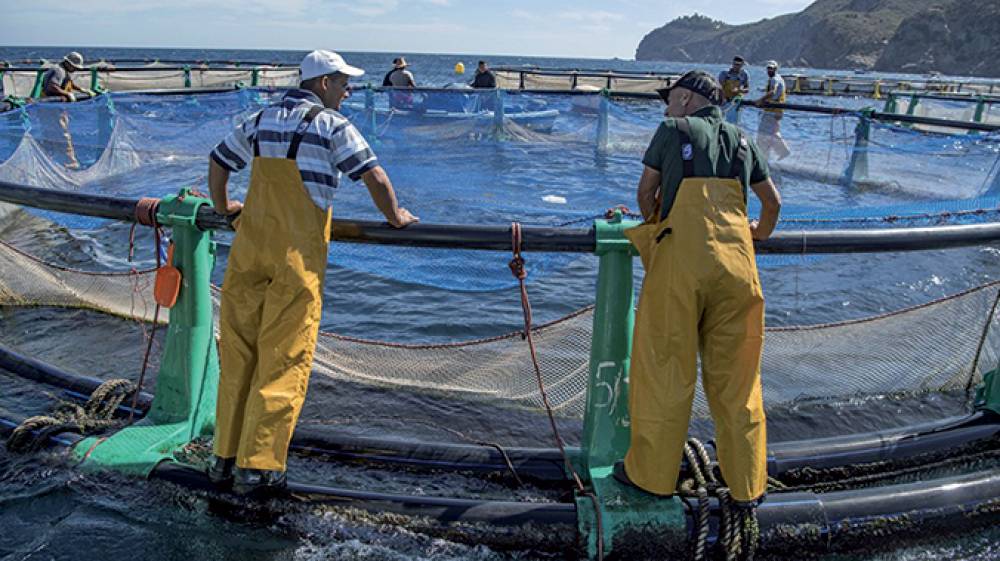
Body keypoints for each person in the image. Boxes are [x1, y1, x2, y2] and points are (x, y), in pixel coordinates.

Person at [207, 49, 418, 495]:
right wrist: (395, 215)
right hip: (294, 259)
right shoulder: (331, 125)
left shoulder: (261, 118)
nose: (347, 92)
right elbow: (374, 177)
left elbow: (219, 160)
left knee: (238, 354)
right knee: (283, 357)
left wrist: (225, 208)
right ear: (323, 83)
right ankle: (258, 467)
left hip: (248, 250)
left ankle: (222, 459)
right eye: (343, 83)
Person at [613, 70, 781, 510]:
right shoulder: (744, 140)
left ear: (686, 100)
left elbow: (646, 191)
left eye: (669, 98)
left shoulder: (671, 130)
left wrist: (654, 222)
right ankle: (746, 483)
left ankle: (650, 478)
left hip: (681, 267)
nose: (666, 106)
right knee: (739, 380)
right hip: (738, 269)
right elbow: (773, 204)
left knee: (666, 371)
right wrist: (758, 233)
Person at [756, 60, 791, 161]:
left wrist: (760, 100)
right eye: (768, 68)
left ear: (775, 69)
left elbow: (772, 92)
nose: (769, 70)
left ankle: (763, 155)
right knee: (773, 132)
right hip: (777, 110)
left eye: (771, 68)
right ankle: (783, 151)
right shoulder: (779, 79)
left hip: (772, 110)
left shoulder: (774, 80)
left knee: (763, 133)